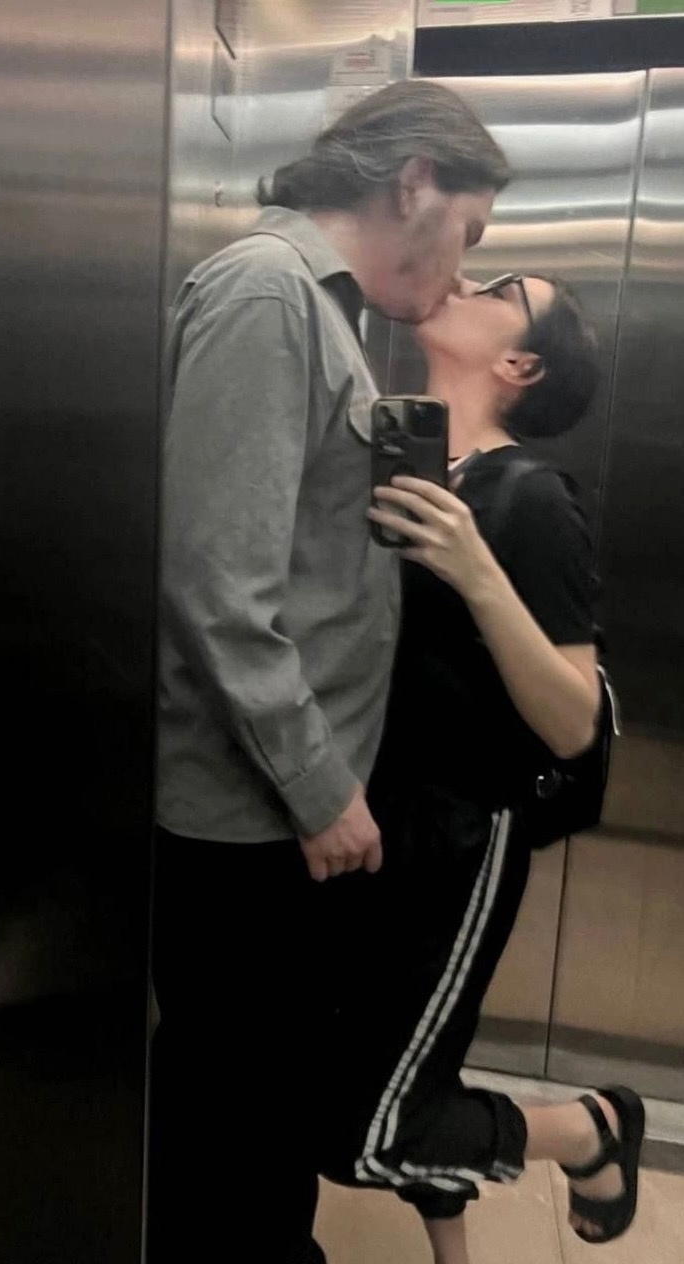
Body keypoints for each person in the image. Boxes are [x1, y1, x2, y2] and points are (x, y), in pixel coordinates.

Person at [149, 81, 509, 1264]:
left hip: (279, 809)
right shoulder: (267, 297)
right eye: (466, 232)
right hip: (249, 817)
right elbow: (218, 582)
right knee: (234, 1129)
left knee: (255, 1118)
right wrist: (319, 788)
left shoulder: (318, 312)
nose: (460, 272)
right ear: (413, 184)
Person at [319, 273, 645, 1264]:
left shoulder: (528, 497)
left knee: (361, 1130)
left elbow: (572, 720)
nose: (461, 280)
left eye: (499, 289)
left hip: (457, 833)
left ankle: (586, 1127)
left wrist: (473, 568)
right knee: (397, 1068)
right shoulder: (402, 457)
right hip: (364, 810)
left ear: (518, 363)